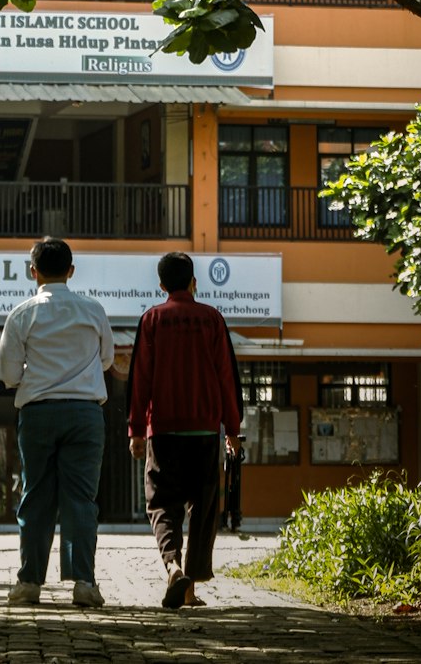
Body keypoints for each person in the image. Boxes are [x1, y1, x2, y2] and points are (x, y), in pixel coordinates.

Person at [0, 237, 114, 608]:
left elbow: (8, 374)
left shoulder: (22, 314)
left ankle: (29, 583)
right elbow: (107, 360)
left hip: (38, 414)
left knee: (36, 496)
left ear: (33, 272)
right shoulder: (93, 310)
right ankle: (84, 584)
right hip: (85, 414)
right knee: (81, 499)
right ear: (71, 271)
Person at [127, 251, 243, 610]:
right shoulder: (212, 319)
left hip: (163, 430)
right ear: (194, 282)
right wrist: (232, 429)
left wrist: (135, 430)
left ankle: (173, 567)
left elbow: (140, 380)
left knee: (162, 504)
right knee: (204, 508)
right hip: (205, 431)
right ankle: (190, 590)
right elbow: (227, 377)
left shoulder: (152, 319)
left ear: (161, 285)